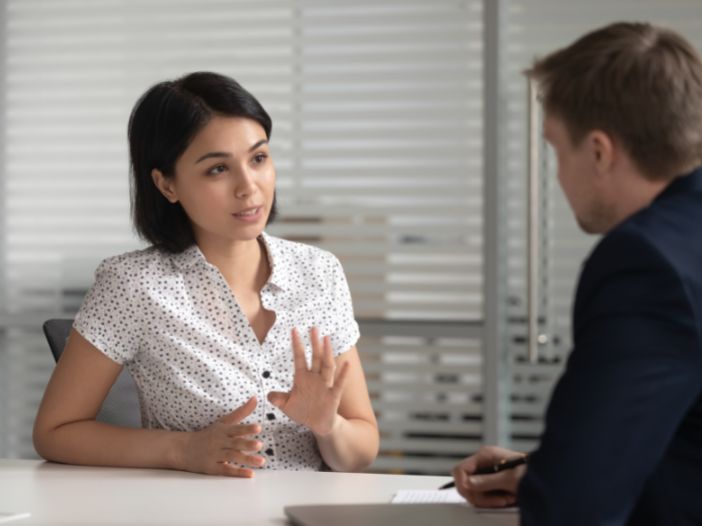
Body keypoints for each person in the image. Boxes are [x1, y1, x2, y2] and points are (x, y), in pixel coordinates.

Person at [33, 72, 379, 476]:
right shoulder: (134, 285)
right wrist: (182, 450)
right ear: (166, 185)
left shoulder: (320, 272)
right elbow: (55, 432)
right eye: (217, 169)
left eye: (259, 158)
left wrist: (328, 426)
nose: (249, 187)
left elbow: (361, 450)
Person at [452, 22, 702, 525]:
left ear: (598, 152)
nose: (558, 174)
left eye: (555, 149)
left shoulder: (645, 262)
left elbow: (574, 508)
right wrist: (542, 470)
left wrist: (557, 481)